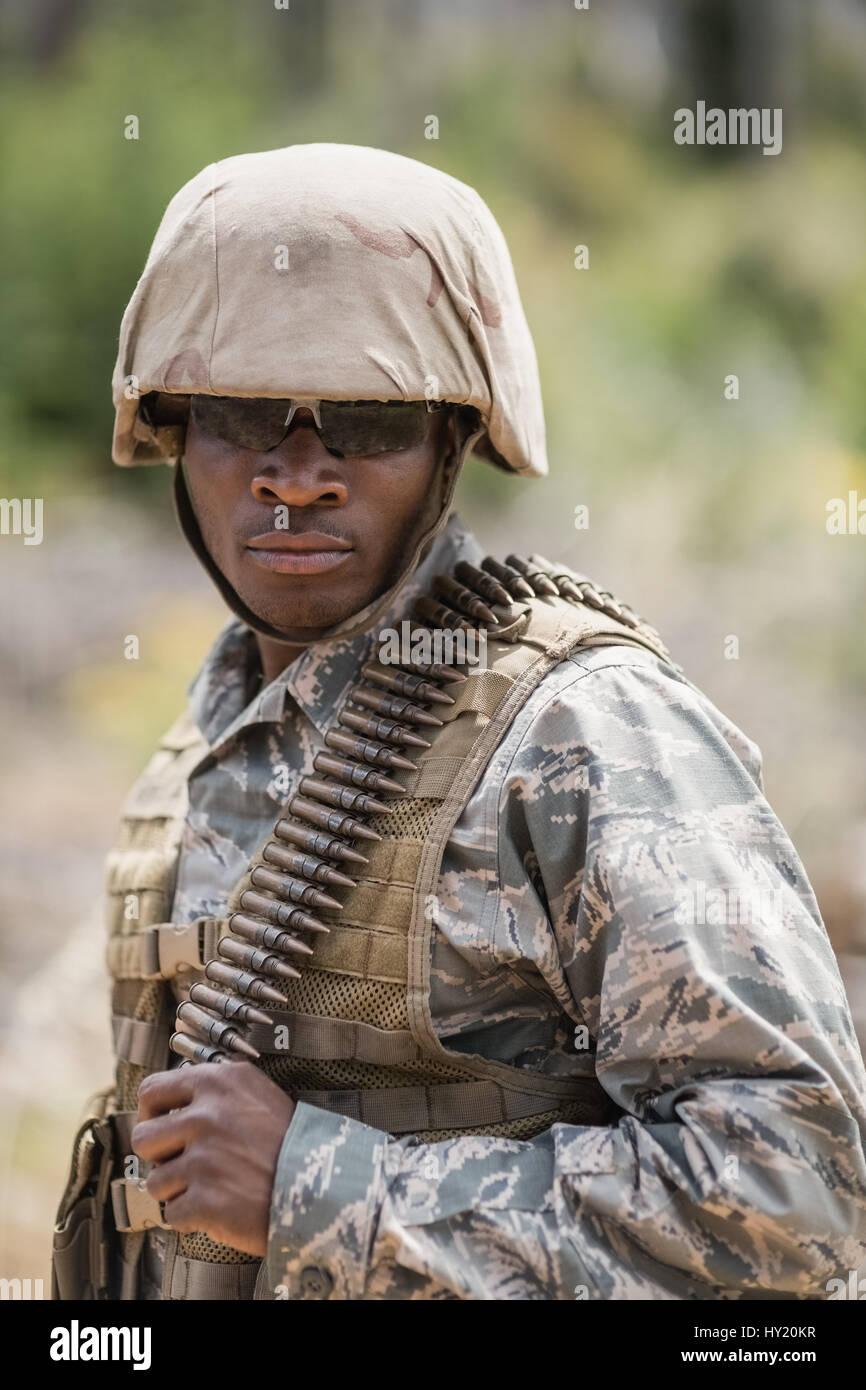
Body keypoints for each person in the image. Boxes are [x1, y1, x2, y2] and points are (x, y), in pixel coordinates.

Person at [52, 143, 866, 1302]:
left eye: (366, 422)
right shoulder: (209, 741)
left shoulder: (579, 736)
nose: (298, 474)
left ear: (451, 439)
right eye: (240, 413)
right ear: (172, 427)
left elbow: (794, 1199)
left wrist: (318, 1188)